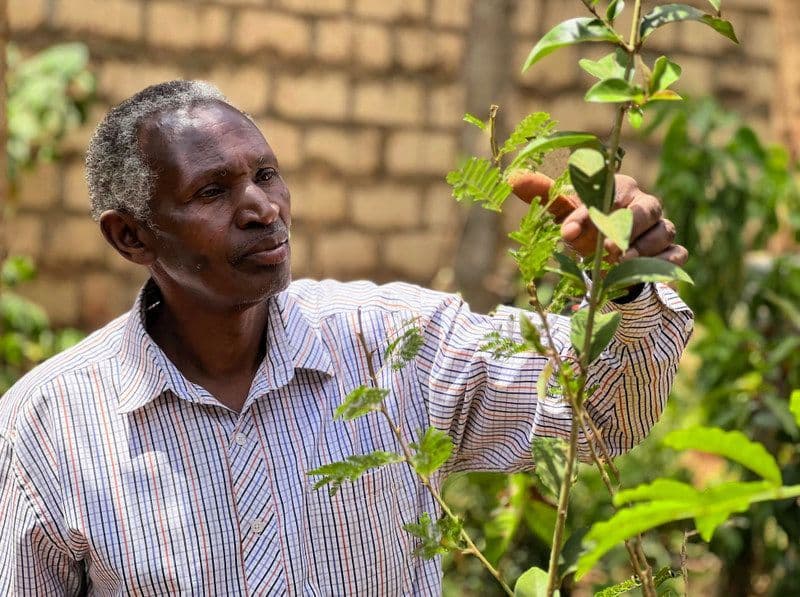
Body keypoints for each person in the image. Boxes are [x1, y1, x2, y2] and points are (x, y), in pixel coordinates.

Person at [0, 80, 692, 595]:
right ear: (130, 235)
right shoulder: (50, 427)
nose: (261, 208)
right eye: (213, 191)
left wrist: (625, 283)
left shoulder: (394, 344)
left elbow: (598, 416)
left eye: (266, 175)